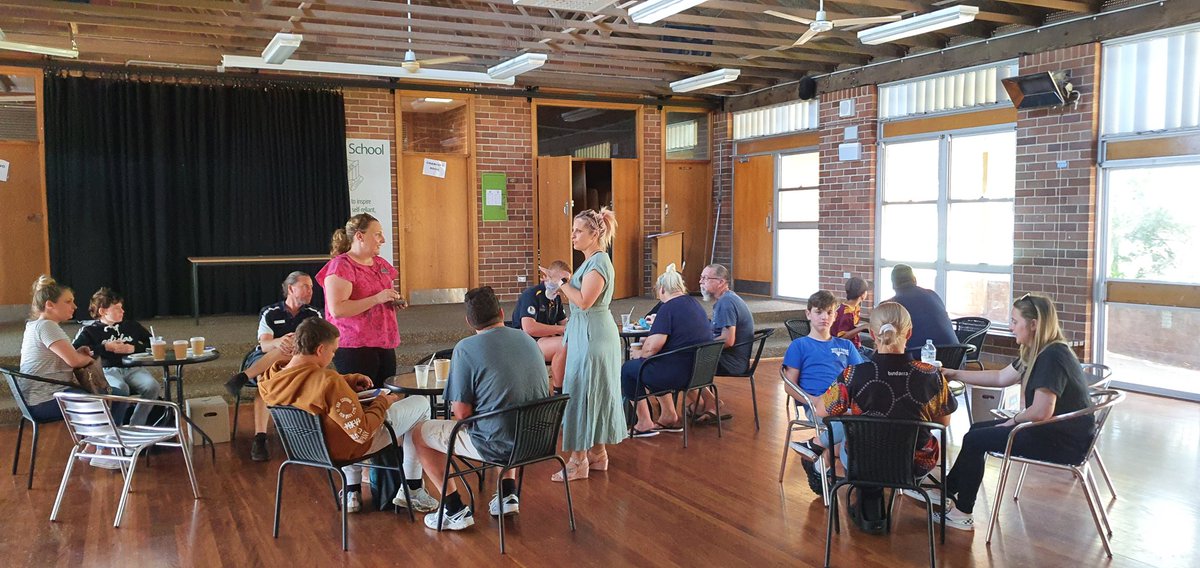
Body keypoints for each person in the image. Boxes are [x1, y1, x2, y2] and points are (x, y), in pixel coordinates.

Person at [927, 293, 1094, 531]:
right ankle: (947, 490)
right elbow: (1000, 377)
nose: (1011, 327)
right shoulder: (1041, 351)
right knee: (976, 430)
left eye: (1015, 321)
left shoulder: (1052, 357)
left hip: (1062, 442)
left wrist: (1012, 421)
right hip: (1057, 432)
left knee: (975, 439)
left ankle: (962, 511)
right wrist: (954, 373)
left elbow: (1041, 411)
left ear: (1034, 324)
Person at [257, 318, 438, 514]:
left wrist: (347, 382)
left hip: (305, 449)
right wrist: (382, 403)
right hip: (344, 449)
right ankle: (411, 487)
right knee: (421, 404)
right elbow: (361, 433)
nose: (333, 356)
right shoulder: (328, 381)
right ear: (320, 350)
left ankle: (352, 491)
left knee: (340, 418)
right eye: (333, 351)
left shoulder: (270, 378)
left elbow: (304, 382)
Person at [413, 286, 550, 531]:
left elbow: (462, 413)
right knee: (508, 413)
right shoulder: (528, 339)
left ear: (468, 321)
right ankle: (507, 495)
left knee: (419, 434)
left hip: (497, 444)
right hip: (539, 438)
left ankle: (453, 509)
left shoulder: (466, 348)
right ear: (500, 311)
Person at [804, 303, 956, 520]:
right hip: (915, 463)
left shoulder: (854, 374)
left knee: (852, 438)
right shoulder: (930, 375)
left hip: (862, 461)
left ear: (873, 334)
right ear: (910, 333)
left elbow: (821, 411)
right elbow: (944, 422)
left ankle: (867, 497)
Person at [548, 208, 627, 482]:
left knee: (583, 391)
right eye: (573, 229)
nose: (573, 235)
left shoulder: (599, 263)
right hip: (587, 332)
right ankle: (597, 453)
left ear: (595, 234)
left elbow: (584, 301)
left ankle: (578, 460)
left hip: (594, 336)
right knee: (592, 391)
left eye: (578, 230)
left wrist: (560, 283)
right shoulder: (590, 262)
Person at [224, 271, 323, 461]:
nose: (311, 291)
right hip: (265, 359)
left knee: (290, 352)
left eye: (311, 287)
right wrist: (280, 341)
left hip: (298, 363)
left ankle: (243, 377)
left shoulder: (314, 315)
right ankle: (260, 438)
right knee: (266, 378)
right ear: (291, 289)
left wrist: (294, 345)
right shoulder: (270, 312)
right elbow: (264, 344)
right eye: (306, 286)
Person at [317, 213, 406, 388]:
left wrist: (394, 300)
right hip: (355, 345)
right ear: (359, 236)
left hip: (384, 340)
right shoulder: (341, 266)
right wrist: (377, 298)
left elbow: (380, 296)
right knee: (362, 399)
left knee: (384, 395)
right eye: (377, 234)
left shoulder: (380, 264)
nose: (383, 239)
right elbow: (338, 309)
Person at [621, 264, 711, 437]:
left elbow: (652, 348)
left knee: (629, 369)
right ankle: (669, 415)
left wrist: (640, 353)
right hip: (699, 371)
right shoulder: (694, 303)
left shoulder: (667, 308)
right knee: (653, 364)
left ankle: (644, 422)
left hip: (678, 372)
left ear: (662, 289)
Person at [72, 288, 161, 426]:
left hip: (133, 367)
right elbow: (76, 349)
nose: (122, 311)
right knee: (121, 389)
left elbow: (153, 343)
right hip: (108, 369)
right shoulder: (90, 330)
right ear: (103, 311)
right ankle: (116, 426)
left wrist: (134, 348)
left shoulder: (131, 326)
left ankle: (136, 425)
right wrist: (105, 348)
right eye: (117, 308)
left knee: (152, 386)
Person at [19, 276, 92, 422]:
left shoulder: (36, 325)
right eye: (68, 302)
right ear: (50, 305)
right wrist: (90, 358)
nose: (75, 306)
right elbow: (75, 362)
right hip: (44, 400)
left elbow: (66, 357)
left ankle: (93, 443)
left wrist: (77, 354)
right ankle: (100, 444)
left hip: (37, 398)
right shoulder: (47, 326)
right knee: (113, 398)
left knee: (110, 396)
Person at [692, 262, 753, 424]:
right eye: (701, 278)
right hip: (733, 358)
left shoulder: (725, 303)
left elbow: (728, 340)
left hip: (732, 361)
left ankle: (709, 403)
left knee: (682, 360)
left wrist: (699, 344)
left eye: (706, 278)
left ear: (721, 282)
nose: (701, 282)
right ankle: (703, 404)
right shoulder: (728, 299)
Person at [782, 290, 866, 397]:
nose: (825, 317)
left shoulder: (846, 345)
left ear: (835, 316)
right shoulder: (799, 346)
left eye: (829, 312)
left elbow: (862, 377)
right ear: (808, 314)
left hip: (845, 400)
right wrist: (813, 401)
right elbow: (789, 386)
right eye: (819, 312)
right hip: (817, 401)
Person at [510, 260, 570, 392]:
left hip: (544, 340)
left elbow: (564, 322)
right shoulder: (532, 294)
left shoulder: (556, 298)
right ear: (547, 277)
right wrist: (560, 330)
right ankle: (558, 392)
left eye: (566, 282)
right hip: (524, 344)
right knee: (563, 344)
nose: (563, 286)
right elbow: (529, 328)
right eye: (561, 281)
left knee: (576, 342)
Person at [885, 264, 957, 351]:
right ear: (914, 280)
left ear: (893, 284)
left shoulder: (894, 305)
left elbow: (885, 336)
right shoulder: (932, 294)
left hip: (921, 358)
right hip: (955, 355)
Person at [831, 276, 870, 351]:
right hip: (846, 350)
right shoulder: (846, 311)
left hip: (856, 345)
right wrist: (862, 327)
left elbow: (852, 325)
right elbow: (842, 337)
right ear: (862, 294)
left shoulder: (854, 306)